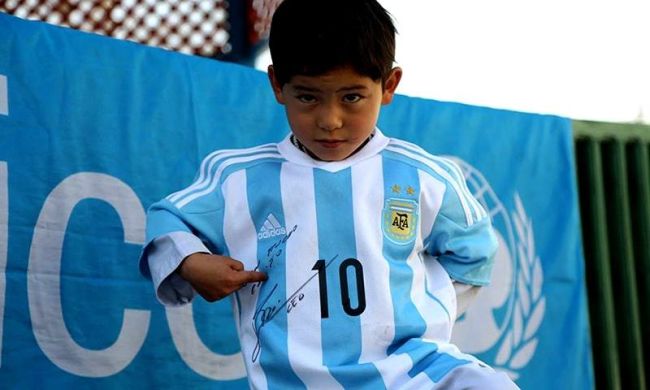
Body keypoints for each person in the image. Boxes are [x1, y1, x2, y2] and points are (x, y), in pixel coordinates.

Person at [139, 0, 519, 388]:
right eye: (308, 97)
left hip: (415, 374)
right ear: (277, 86)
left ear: (388, 86)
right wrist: (191, 261)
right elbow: (168, 219)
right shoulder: (238, 178)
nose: (330, 120)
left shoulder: (423, 177)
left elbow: (475, 252)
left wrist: (415, 302)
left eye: (351, 97)